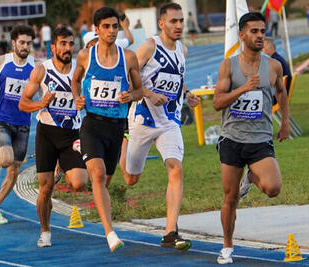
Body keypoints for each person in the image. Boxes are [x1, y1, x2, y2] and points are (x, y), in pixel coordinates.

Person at [120, 2, 199, 251]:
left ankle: (170, 232)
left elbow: (178, 75)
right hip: (142, 120)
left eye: (181, 21)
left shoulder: (182, 50)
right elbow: (127, 81)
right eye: (173, 21)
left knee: (175, 169)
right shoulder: (149, 47)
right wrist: (148, 93)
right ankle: (122, 141)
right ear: (161, 23)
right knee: (131, 178)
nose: (178, 25)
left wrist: (187, 94)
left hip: (169, 122)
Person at [213, 12, 289, 264]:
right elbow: (216, 103)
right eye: (254, 31)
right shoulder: (228, 66)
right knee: (230, 197)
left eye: (262, 31)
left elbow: (281, 91)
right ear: (242, 34)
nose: (259, 36)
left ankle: (253, 176)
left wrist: (285, 121)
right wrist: (243, 88)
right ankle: (227, 247)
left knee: (273, 188)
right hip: (232, 140)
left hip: (260, 140)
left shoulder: (274, 66)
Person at [71, 6, 143, 252]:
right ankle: (110, 232)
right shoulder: (85, 56)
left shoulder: (129, 57)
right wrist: (78, 98)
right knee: (98, 175)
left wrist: (130, 95)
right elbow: (75, 80)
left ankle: (104, 214)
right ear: (96, 30)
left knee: (104, 180)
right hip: (92, 123)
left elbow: (140, 90)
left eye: (114, 26)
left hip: (116, 127)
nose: (112, 31)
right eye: (106, 27)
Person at [19, 26, 88, 248]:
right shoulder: (41, 70)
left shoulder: (80, 70)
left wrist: (83, 102)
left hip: (72, 135)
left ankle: (63, 167)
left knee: (78, 184)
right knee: (45, 188)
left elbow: (90, 96)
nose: (67, 48)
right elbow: (23, 103)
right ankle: (45, 231)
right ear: (53, 46)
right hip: (47, 133)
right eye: (63, 44)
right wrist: (42, 103)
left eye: (70, 44)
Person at [0, 25, 35, 225]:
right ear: (13, 43)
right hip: (2, 118)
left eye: (28, 43)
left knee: (14, 171)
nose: (25, 46)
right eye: (21, 42)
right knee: (5, 160)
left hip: (23, 122)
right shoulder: (1, 61)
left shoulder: (36, 66)